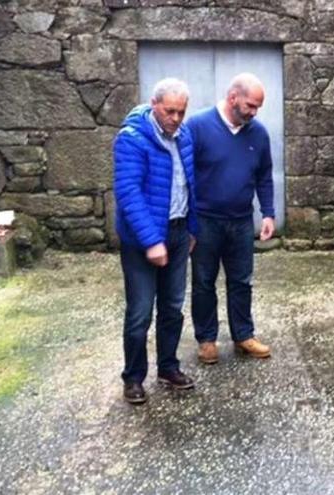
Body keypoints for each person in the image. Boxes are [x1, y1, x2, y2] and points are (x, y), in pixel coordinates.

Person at [113, 78, 199, 404]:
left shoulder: (184, 135)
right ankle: (133, 378)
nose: (176, 118)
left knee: (173, 307)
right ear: (154, 104)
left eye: (181, 112)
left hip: (178, 234)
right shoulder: (132, 139)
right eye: (170, 111)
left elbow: (189, 185)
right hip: (141, 240)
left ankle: (168, 367)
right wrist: (151, 240)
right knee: (140, 312)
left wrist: (191, 229)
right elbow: (128, 193)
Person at [187, 73, 275, 363]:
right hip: (205, 221)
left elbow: (264, 176)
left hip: (240, 222)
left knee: (241, 281)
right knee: (203, 281)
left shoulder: (258, 133)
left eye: (258, 107)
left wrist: (268, 213)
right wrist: (187, 221)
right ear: (233, 97)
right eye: (250, 105)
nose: (254, 112)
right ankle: (207, 340)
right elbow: (183, 176)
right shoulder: (198, 126)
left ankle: (243, 336)